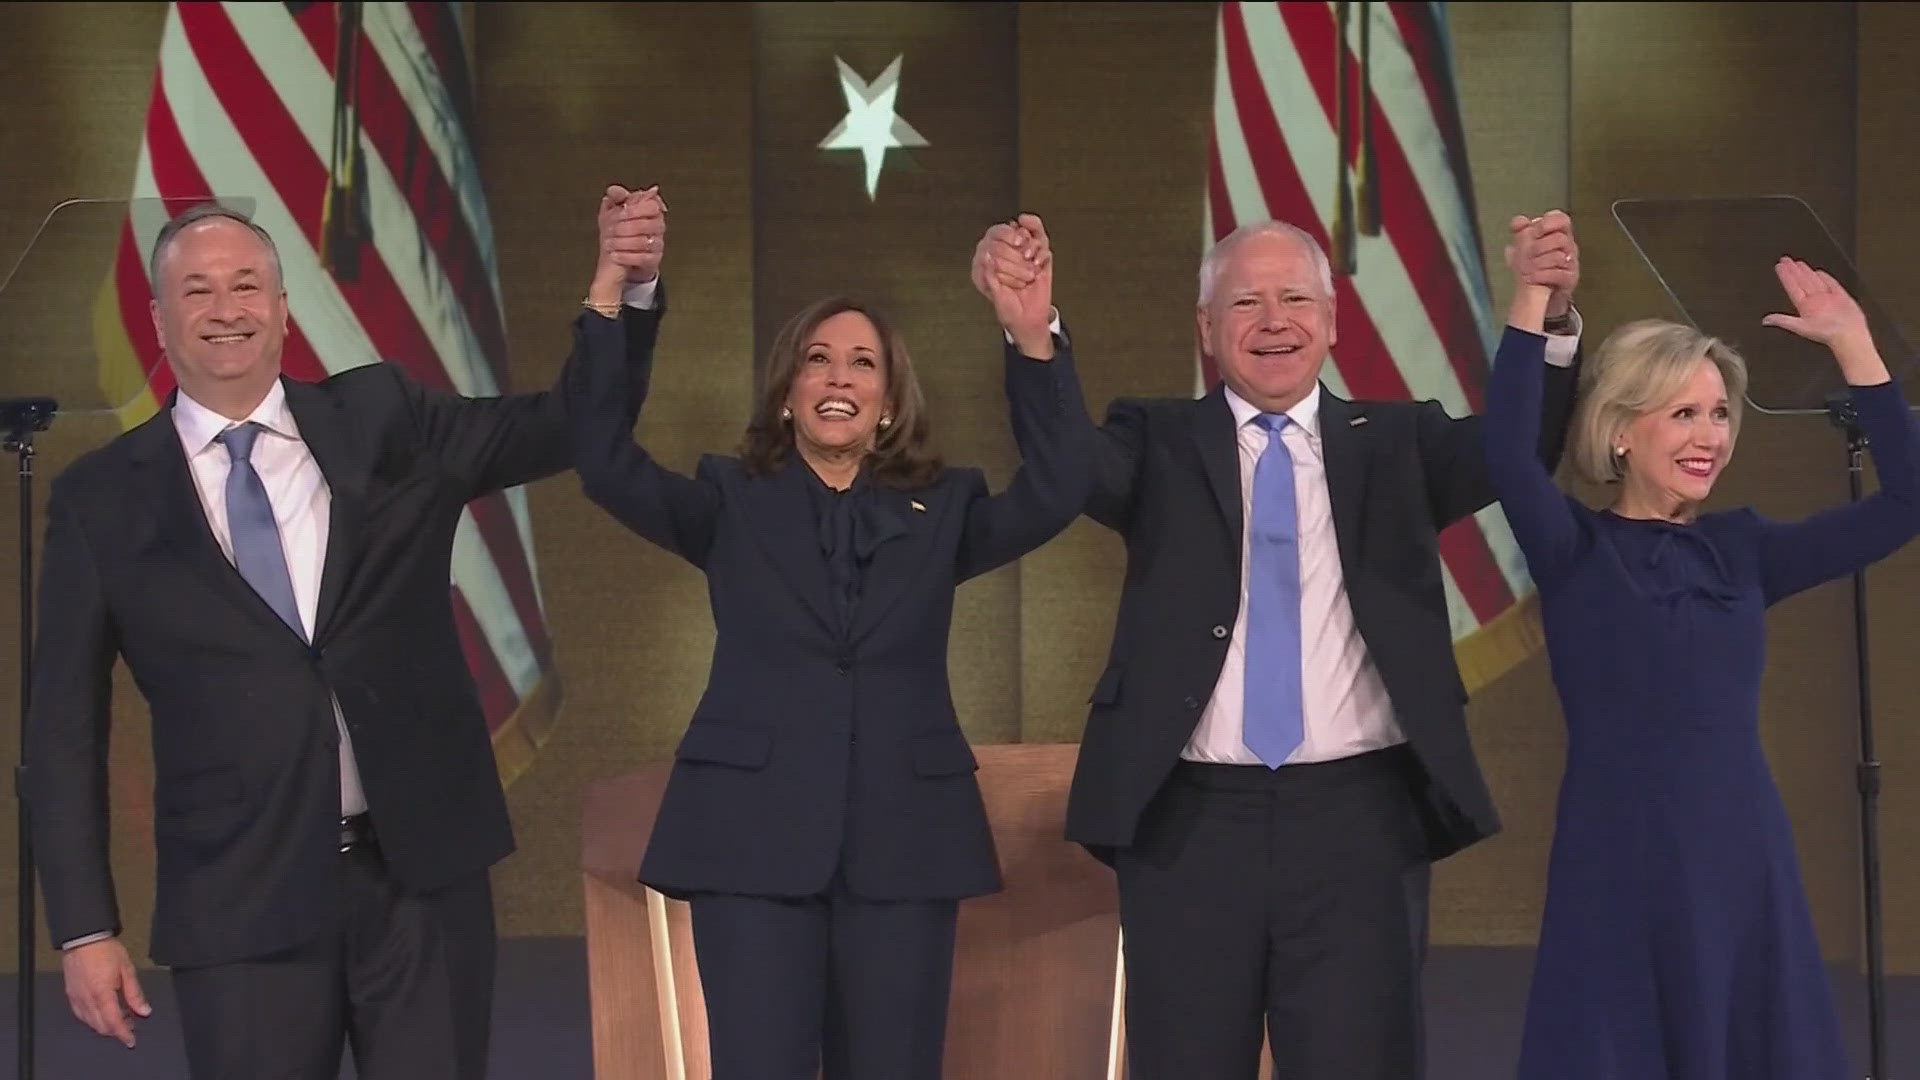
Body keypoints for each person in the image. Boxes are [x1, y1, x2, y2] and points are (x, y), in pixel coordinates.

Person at [24, 188, 666, 1079]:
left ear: (282, 311)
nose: (227, 310)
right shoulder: (102, 497)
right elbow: (60, 731)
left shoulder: (384, 421)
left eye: (248, 286)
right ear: (159, 317)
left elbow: (565, 427)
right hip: (240, 900)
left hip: (418, 881)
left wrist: (618, 294)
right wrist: (86, 928)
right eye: (200, 290)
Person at [1040, 212, 1586, 1079]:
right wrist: (1035, 336)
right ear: (1207, 330)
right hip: (1189, 823)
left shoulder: (1401, 443)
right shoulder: (1157, 441)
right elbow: (1065, 467)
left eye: (1296, 298)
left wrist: (1542, 313)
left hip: (1360, 821)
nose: (1273, 321)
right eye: (1245, 302)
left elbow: (1516, 448)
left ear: (1332, 323)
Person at [564, 212, 1086, 1078]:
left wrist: (1030, 336)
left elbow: (1065, 484)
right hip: (752, 844)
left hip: (905, 845)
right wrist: (617, 296)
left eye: (863, 363)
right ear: (786, 393)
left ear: (888, 404)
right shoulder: (728, 501)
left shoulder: (943, 509)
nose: (838, 377)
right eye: (818, 359)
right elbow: (599, 459)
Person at [1485, 236, 1919, 1078]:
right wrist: (1531, 301)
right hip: (1620, 857)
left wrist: (1853, 345)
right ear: (1619, 433)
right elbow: (1507, 455)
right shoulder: (1577, 549)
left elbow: (1906, 503)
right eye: (1683, 413)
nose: (1709, 435)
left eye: (1720, 414)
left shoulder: (1743, 551)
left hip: (1740, 856)